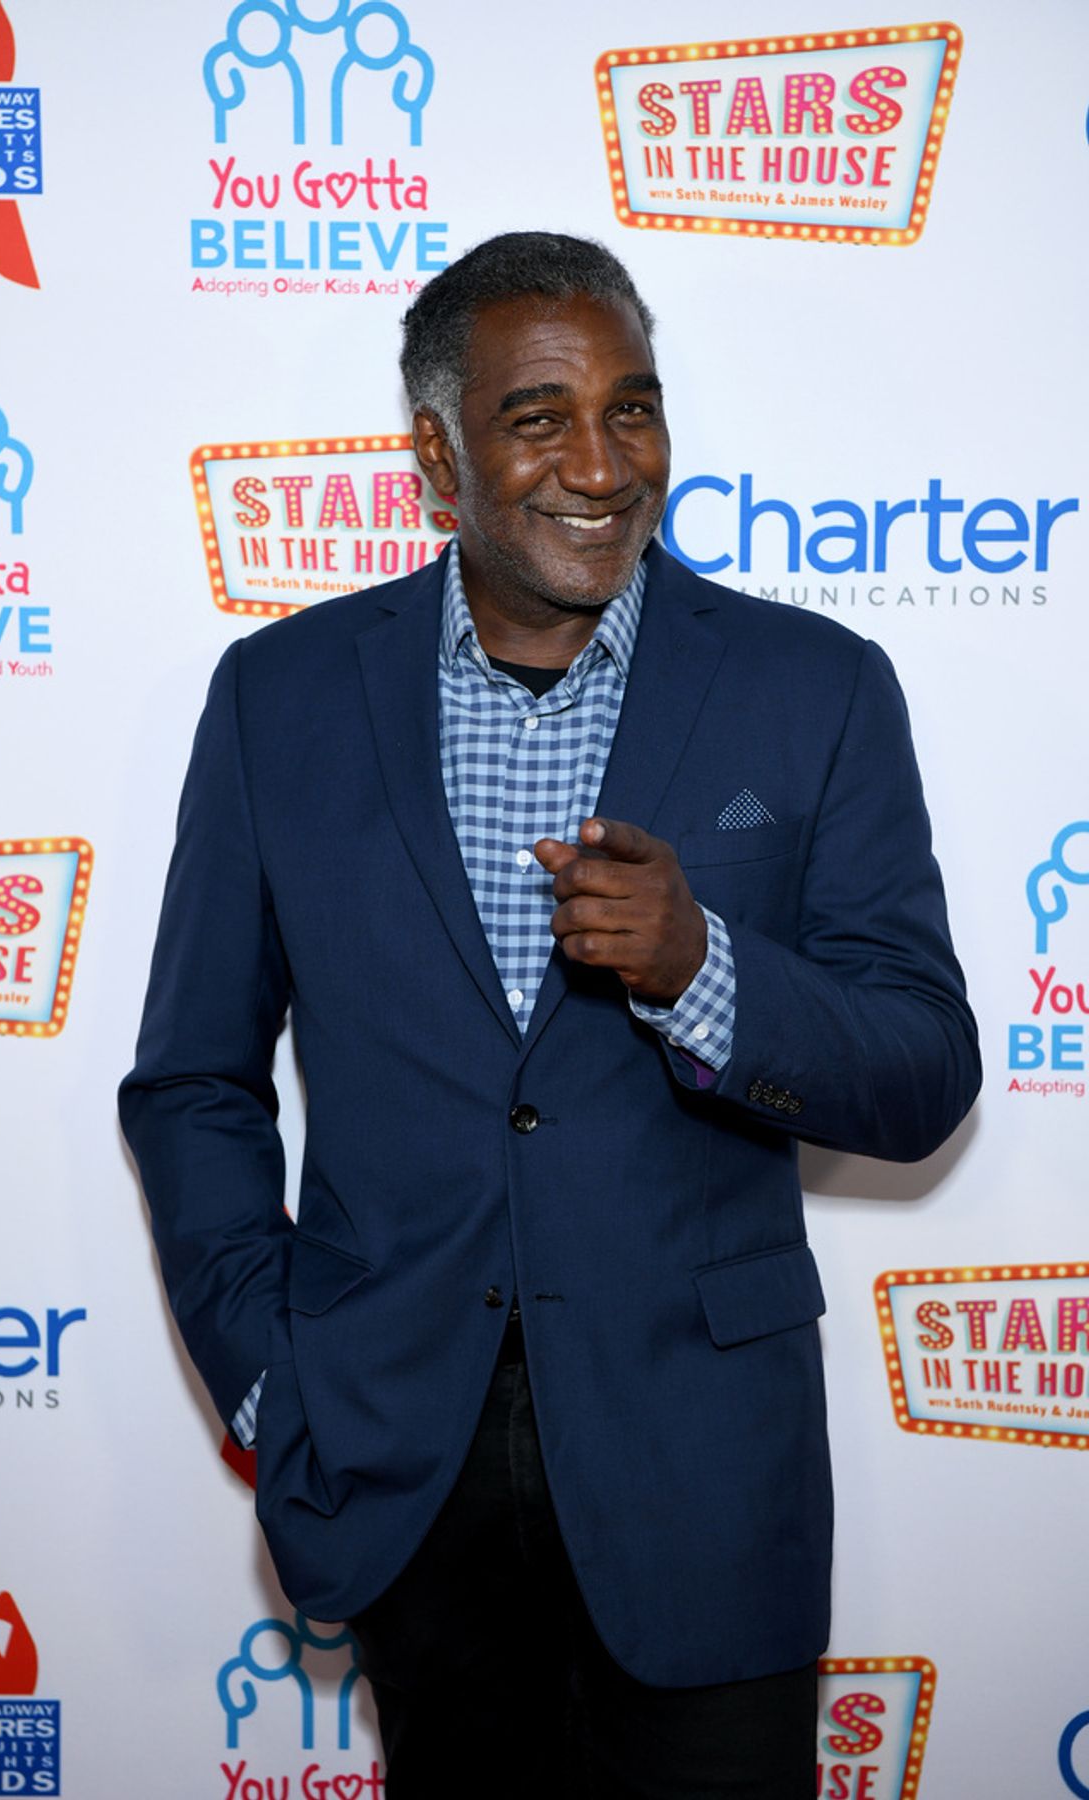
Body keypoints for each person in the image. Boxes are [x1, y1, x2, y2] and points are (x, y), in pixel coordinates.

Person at [120, 232, 980, 1798]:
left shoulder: (817, 687)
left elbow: (925, 1067)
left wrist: (702, 966)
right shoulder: (283, 697)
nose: (601, 464)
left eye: (633, 410)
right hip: (398, 1472)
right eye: (540, 417)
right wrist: (271, 1377)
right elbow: (192, 1081)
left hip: (708, 1482)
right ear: (439, 453)